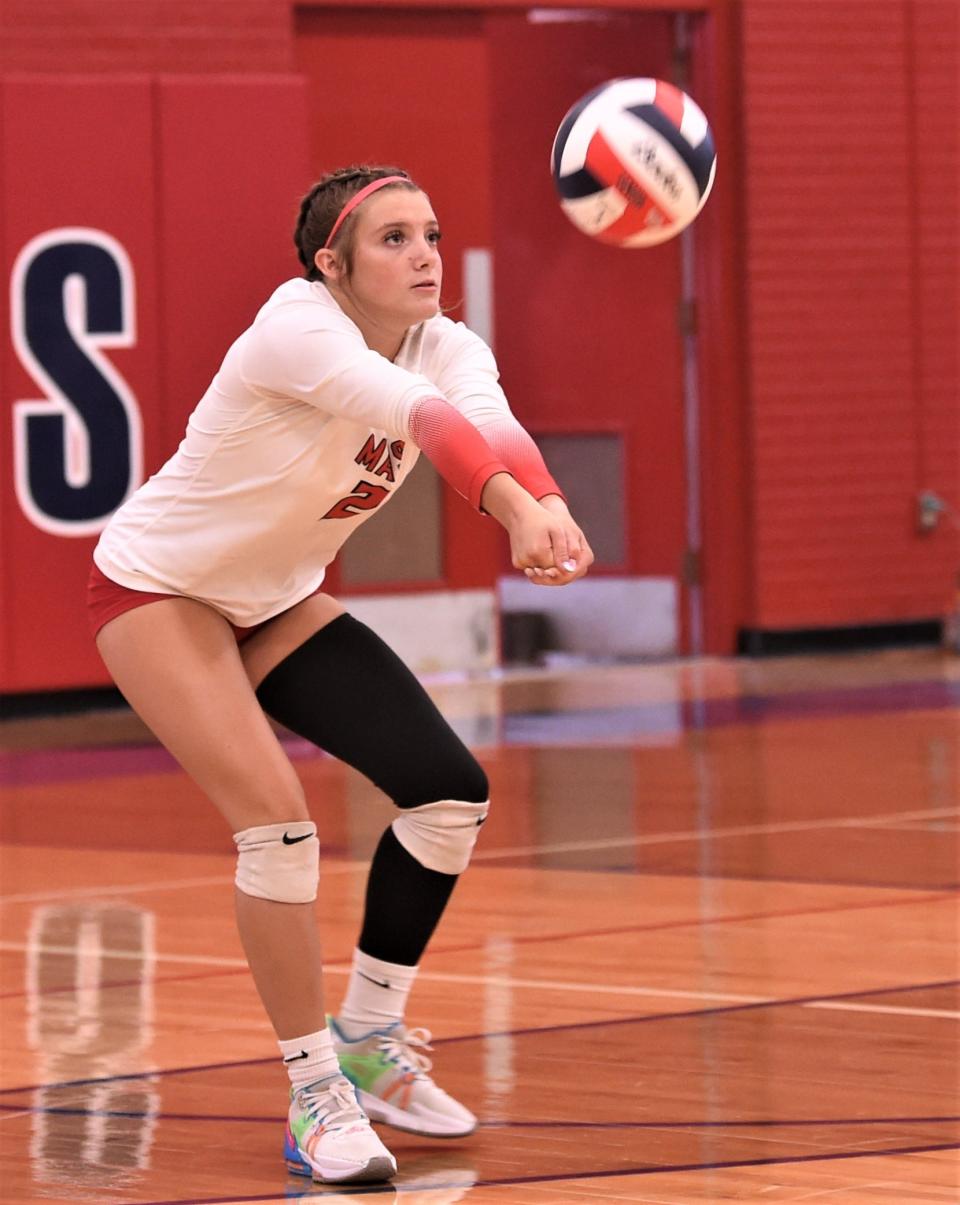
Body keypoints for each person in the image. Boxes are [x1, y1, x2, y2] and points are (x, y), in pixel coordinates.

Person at [89, 164, 594, 1185]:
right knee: (277, 826)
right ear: (333, 263)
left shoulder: (448, 340)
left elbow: (489, 422)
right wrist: (516, 511)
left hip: (273, 594)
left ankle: (367, 1036)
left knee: (450, 791)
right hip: (158, 588)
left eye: (433, 235)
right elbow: (428, 423)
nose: (424, 257)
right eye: (395, 239)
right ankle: (315, 1091)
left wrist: (544, 497)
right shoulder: (298, 328)